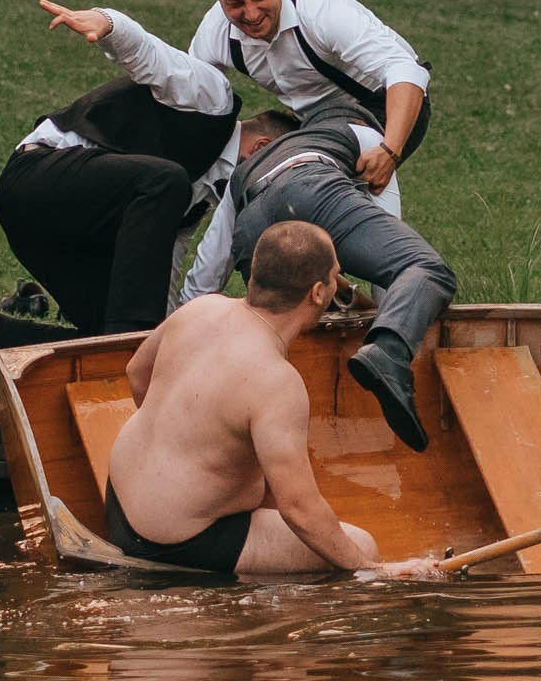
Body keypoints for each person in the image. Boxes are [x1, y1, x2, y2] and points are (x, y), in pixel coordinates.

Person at [0, 0, 241, 402]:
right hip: (36, 180)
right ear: (262, 142)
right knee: (165, 180)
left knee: (115, 338)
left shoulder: (195, 199)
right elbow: (154, 59)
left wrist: (164, 341)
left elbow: (164, 266)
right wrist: (109, 23)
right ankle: (124, 369)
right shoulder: (213, 100)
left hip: (65, 233)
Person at [106, 220, 412, 576]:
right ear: (317, 293)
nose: (338, 284)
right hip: (173, 544)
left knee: (263, 482)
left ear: (255, 274)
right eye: (335, 276)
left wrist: (187, 451)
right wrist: (372, 568)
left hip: (118, 500)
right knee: (358, 547)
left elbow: (135, 372)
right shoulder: (276, 382)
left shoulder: (200, 309)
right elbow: (299, 509)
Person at [180, 107, 455, 453]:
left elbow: (204, 278)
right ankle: (390, 357)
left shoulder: (242, 173)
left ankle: (235, 418)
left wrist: (180, 344)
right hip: (310, 186)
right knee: (425, 268)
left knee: (274, 333)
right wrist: (393, 323)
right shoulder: (367, 138)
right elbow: (391, 265)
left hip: (252, 224)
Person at [187, 0, 430, 209]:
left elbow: (404, 68)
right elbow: (191, 99)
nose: (252, 14)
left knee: (317, 198)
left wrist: (389, 151)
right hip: (314, 123)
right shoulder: (215, 31)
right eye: (235, 4)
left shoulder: (315, 7)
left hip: (386, 104)